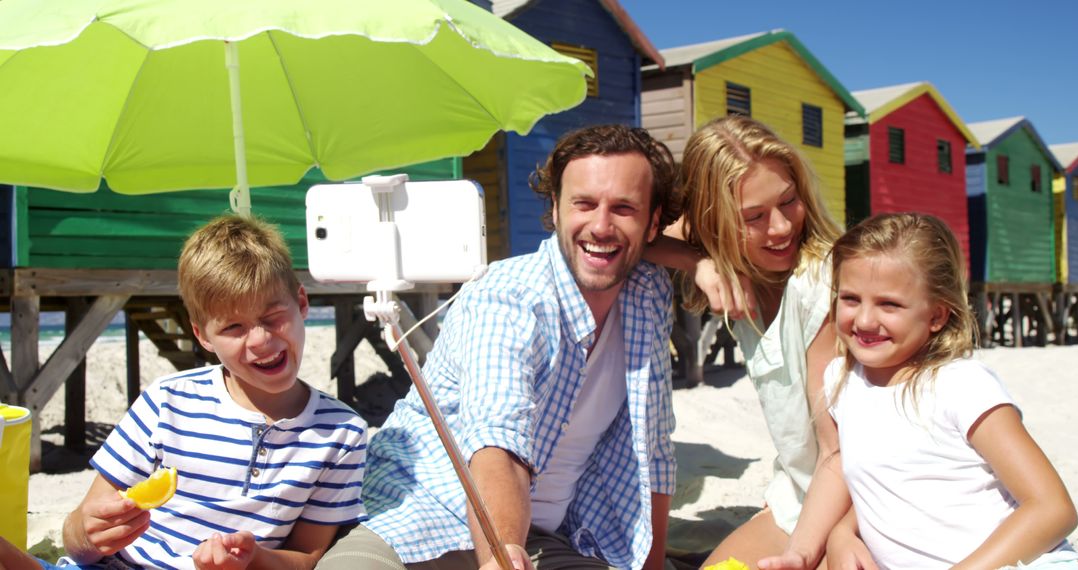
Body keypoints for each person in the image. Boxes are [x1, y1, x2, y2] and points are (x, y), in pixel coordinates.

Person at [318, 124, 681, 570]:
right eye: (583, 204)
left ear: (653, 222)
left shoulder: (648, 294)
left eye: (624, 208)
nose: (601, 226)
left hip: (558, 535)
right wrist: (503, 554)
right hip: (423, 508)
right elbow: (498, 438)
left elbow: (655, 452)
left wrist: (653, 563)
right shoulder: (508, 297)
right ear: (555, 206)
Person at [57, 215, 396, 569]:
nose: (261, 340)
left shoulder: (341, 432)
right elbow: (79, 535)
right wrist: (86, 535)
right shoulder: (166, 402)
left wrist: (253, 559)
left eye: (273, 316)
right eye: (234, 327)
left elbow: (306, 557)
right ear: (202, 335)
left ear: (302, 302)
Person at [644, 115, 851, 568]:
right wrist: (696, 261)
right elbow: (634, 235)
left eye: (789, 201)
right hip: (796, 496)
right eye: (752, 217)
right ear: (711, 223)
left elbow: (845, 456)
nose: (779, 228)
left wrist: (833, 539)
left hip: (852, 509)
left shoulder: (821, 287)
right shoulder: (748, 272)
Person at [820, 212, 1078, 569]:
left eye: (889, 304)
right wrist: (843, 532)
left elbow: (1053, 508)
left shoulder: (959, 385)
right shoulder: (842, 379)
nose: (864, 320)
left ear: (937, 315)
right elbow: (888, 478)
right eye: (850, 298)